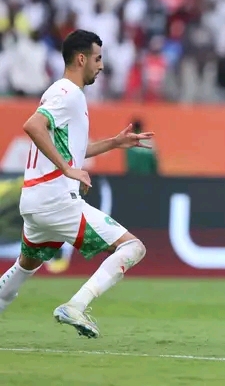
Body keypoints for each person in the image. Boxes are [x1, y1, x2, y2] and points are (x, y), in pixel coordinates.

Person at [0, 29, 152, 339]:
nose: (101, 65)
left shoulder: (63, 93)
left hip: (36, 200)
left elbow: (75, 150)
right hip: (55, 199)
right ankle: (76, 306)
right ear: (81, 59)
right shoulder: (67, 92)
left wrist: (114, 142)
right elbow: (33, 125)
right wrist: (67, 169)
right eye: (98, 58)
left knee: (26, 265)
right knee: (133, 247)